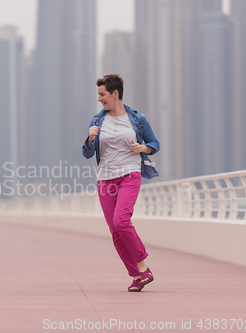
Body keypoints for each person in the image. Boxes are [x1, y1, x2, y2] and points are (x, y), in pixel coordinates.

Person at [82, 74, 160, 292]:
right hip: (105, 178)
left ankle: (143, 268)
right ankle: (136, 276)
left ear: (115, 94)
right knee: (115, 232)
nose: (99, 99)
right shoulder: (97, 120)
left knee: (121, 221)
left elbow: (154, 143)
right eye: (98, 95)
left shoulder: (137, 119)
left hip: (129, 174)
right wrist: (89, 139)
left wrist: (143, 148)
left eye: (102, 94)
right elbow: (87, 153)